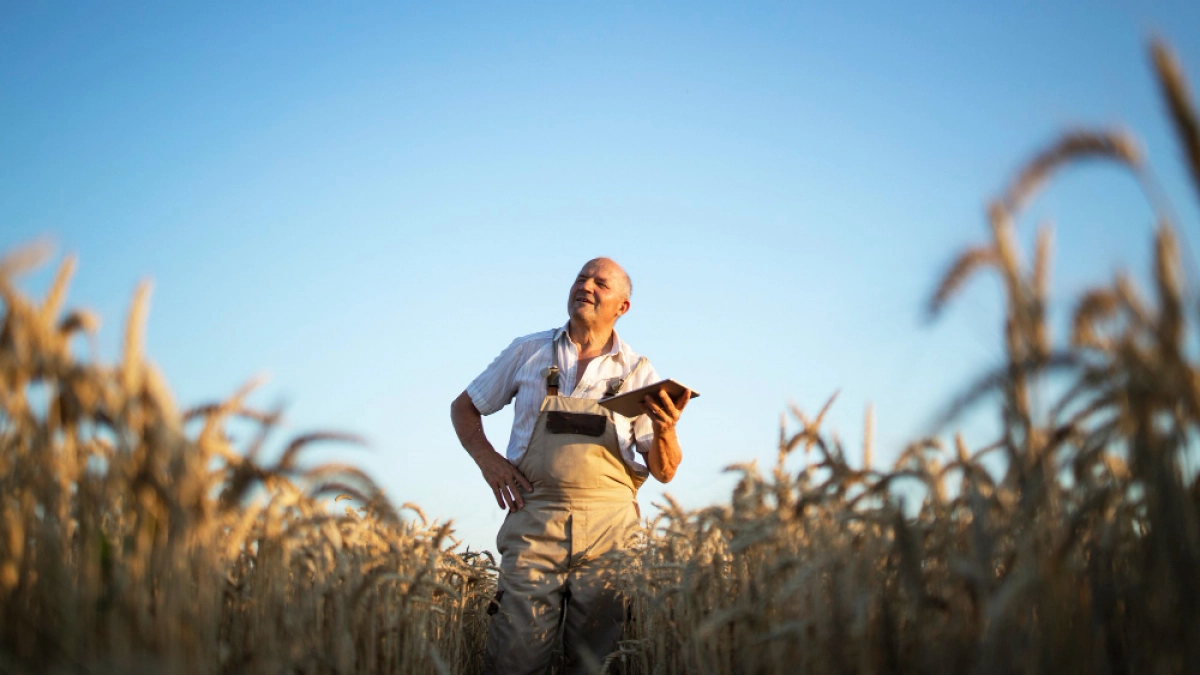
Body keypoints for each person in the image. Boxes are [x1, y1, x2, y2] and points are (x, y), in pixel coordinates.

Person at [450, 257, 690, 675]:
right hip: (533, 521)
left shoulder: (639, 371)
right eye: (581, 278)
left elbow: (664, 470)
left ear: (623, 307)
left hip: (610, 535)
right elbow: (464, 407)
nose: (587, 286)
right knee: (513, 658)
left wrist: (667, 430)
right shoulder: (528, 350)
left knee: (600, 662)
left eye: (601, 283)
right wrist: (489, 462)